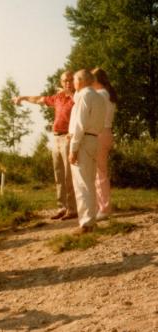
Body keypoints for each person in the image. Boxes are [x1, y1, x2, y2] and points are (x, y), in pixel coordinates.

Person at [13, 71, 78, 220]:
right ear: (61, 82)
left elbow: (83, 106)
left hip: (69, 138)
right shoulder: (58, 97)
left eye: (70, 80)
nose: (67, 83)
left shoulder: (78, 96)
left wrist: (70, 94)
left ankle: (73, 209)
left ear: (74, 82)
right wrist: (23, 98)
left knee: (69, 176)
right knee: (59, 175)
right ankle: (62, 207)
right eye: (64, 81)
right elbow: (39, 99)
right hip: (56, 138)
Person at [68, 69, 106, 233]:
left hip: (83, 140)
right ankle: (90, 220)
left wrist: (73, 148)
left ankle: (86, 224)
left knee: (82, 184)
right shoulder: (99, 96)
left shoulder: (85, 96)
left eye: (75, 80)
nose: (73, 83)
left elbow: (79, 125)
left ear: (81, 81)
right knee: (89, 182)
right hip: (94, 139)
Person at [91, 68, 117, 220]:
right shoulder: (107, 94)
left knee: (99, 173)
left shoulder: (100, 95)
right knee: (99, 172)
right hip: (106, 132)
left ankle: (104, 209)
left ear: (95, 80)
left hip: (100, 133)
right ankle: (101, 206)